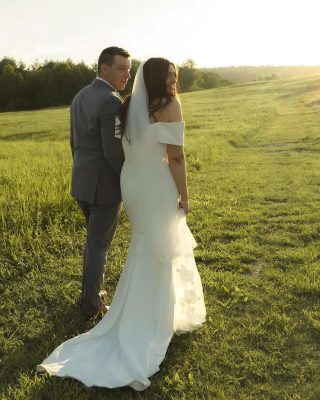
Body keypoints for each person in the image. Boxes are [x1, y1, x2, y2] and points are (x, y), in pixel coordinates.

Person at [37, 58, 206, 390]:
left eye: (176, 73)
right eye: (169, 74)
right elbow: (176, 156)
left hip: (132, 183)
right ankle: (153, 318)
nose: (174, 79)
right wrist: (184, 195)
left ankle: (139, 311)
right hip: (155, 183)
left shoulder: (129, 105)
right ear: (159, 79)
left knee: (146, 243)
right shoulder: (170, 104)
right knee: (160, 246)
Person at [70, 46, 131, 317]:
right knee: (98, 246)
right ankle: (92, 305)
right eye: (121, 68)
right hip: (104, 187)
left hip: (81, 182)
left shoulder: (80, 96)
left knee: (93, 243)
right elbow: (111, 150)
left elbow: (74, 143)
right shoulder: (110, 100)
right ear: (104, 68)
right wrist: (128, 180)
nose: (127, 74)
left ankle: (89, 294)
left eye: (129, 69)